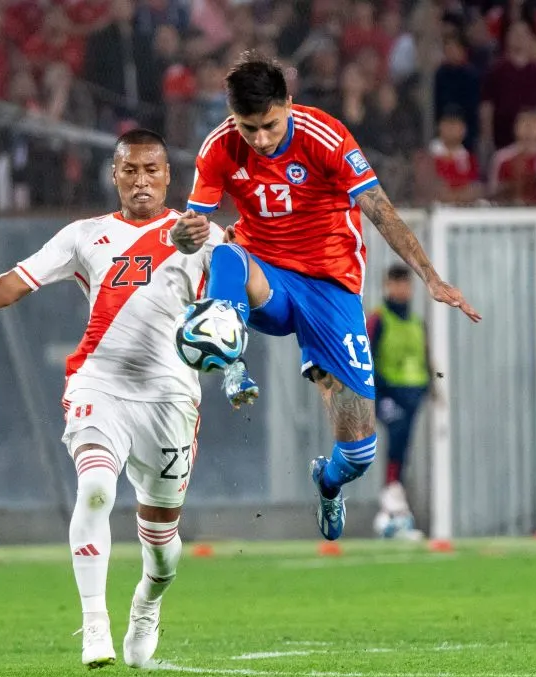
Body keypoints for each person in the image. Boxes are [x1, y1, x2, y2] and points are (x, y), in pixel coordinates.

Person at [170, 52, 479, 541]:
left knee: (359, 451)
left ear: (288, 104)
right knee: (225, 253)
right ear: (233, 119)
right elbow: (193, 231)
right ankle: (231, 363)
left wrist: (431, 277)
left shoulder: (325, 137)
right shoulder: (220, 148)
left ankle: (329, 483)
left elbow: (379, 210)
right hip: (266, 276)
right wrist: (185, 238)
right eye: (249, 129)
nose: (261, 139)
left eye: (270, 125)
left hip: (330, 288)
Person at [0, 129, 221, 669]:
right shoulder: (85, 236)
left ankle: (147, 601)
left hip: (170, 399)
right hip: (100, 384)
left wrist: (229, 335)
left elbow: (245, 296)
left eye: (151, 170)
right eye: (130, 170)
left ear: (169, 176)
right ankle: (94, 623)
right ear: (114, 175)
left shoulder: (201, 237)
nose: (141, 180)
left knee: (162, 546)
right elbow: (21, 279)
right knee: (95, 488)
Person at [367, 265, 432, 540]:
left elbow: (424, 356)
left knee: (402, 445)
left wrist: (429, 385)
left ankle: (393, 511)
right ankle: (391, 501)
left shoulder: (417, 322)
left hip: (413, 394)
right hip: (386, 393)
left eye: (405, 284)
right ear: (386, 286)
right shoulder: (378, 319)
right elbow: (366, 354)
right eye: (395, 284)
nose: (401, 289)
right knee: (396, 433)